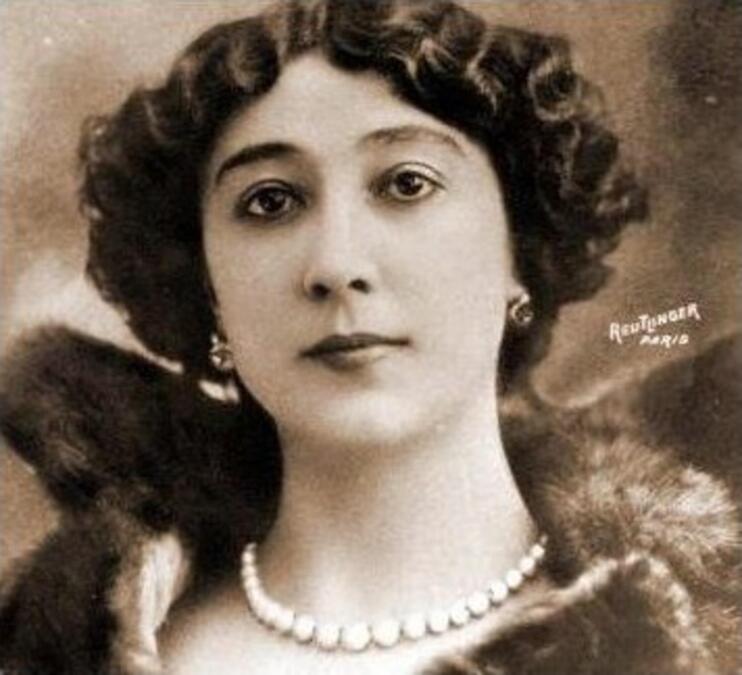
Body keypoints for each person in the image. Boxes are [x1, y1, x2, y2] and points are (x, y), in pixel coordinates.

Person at [0, 0, 739, 673]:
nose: (336, 264)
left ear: (519, 253)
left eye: (407, 183)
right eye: (270, 201)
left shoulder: (713, 624)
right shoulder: (49, 646)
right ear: (209, 291)